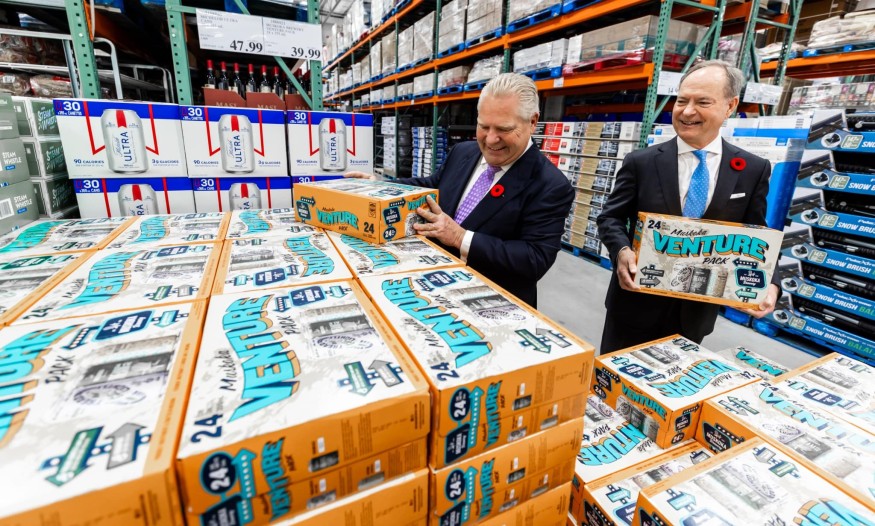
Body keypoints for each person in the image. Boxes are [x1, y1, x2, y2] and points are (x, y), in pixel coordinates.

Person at [596, 60, 781, 354]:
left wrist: (770, 282)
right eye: (682, 101)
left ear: (730, 106)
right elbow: (611, 218)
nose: (687, 111)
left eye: (702, 102)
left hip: (693, 316)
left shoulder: (752, 169)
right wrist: (621, 251)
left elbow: (757, 232)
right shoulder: (642, 162)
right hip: (634, 306)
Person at [347, 73, 574, 307]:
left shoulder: (550, 185)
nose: (491, 139)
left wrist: (460, 237)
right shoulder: (463, 152)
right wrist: (380, 186)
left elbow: (534, 259)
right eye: (483, 126)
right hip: (433, 287)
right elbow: (432, 186)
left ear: (533, 122)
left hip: (488, 304)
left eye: (503, 129)